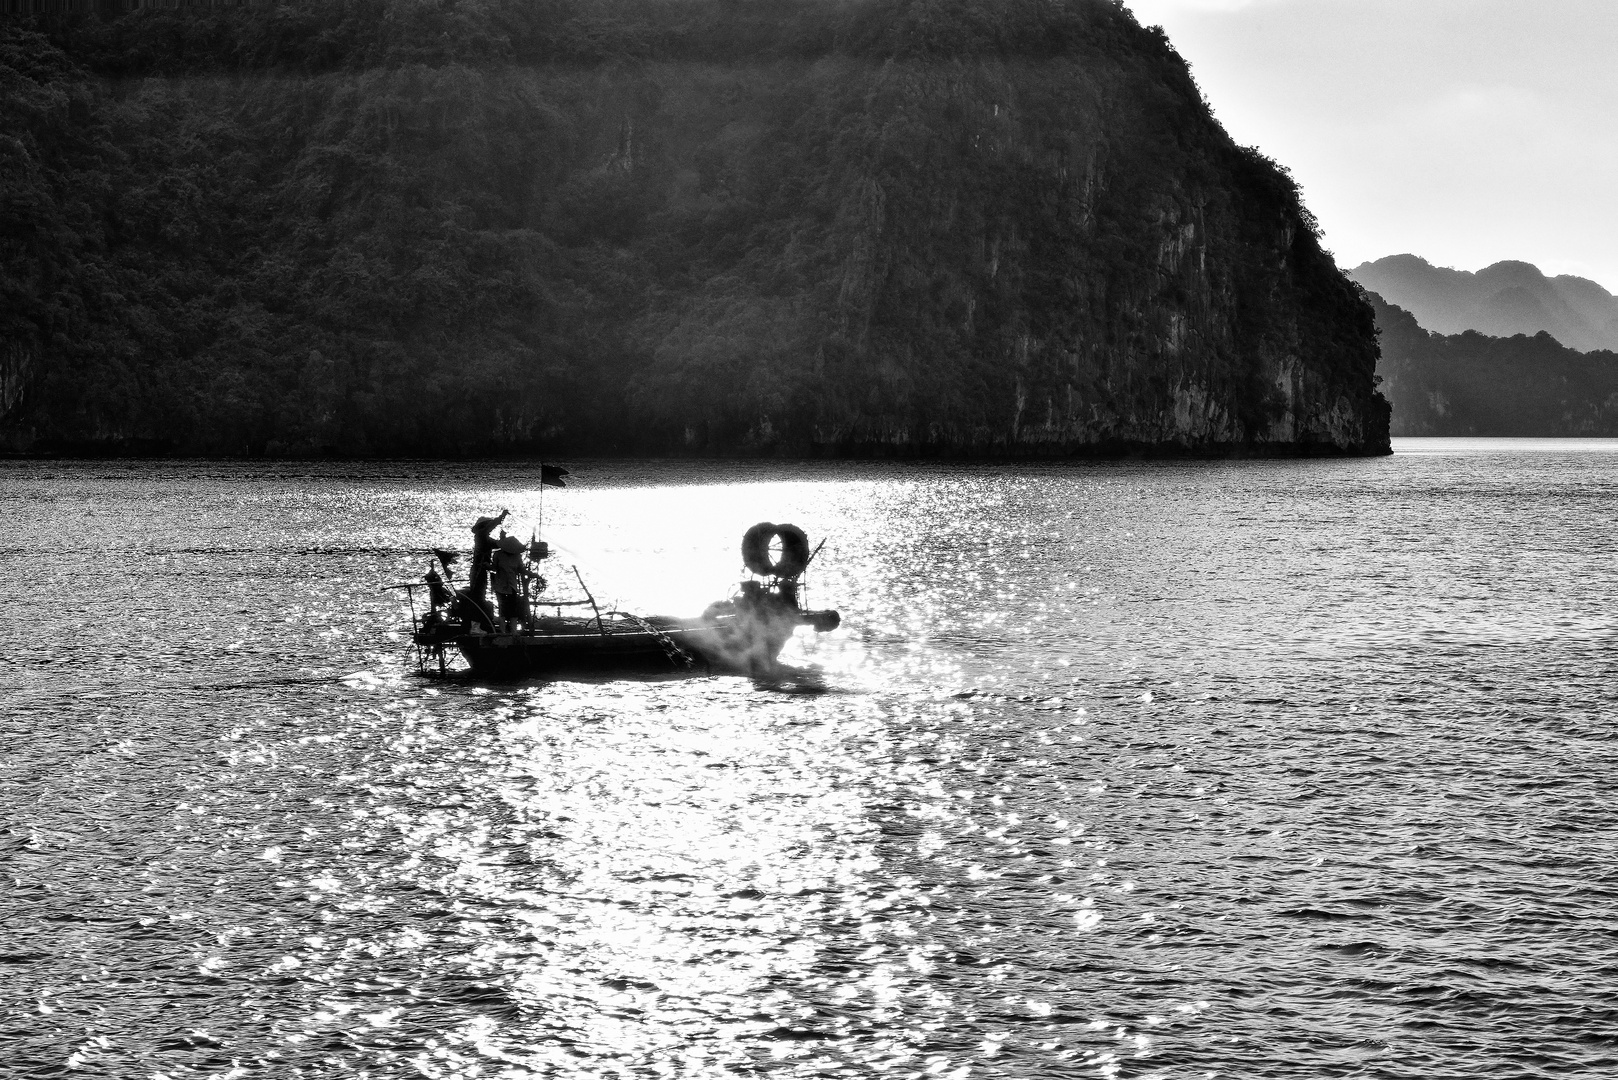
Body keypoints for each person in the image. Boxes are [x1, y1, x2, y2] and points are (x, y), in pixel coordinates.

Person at [491, 533, 532, 632]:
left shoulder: (517, 557)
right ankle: (503, 631)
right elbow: (494, 568)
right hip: (500, 585)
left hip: (512, 586)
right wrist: (486, 566)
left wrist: (532, 574)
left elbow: (521, 569)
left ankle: (513, 631)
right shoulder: (498, 554)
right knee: (502, 608)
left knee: (513, 609)